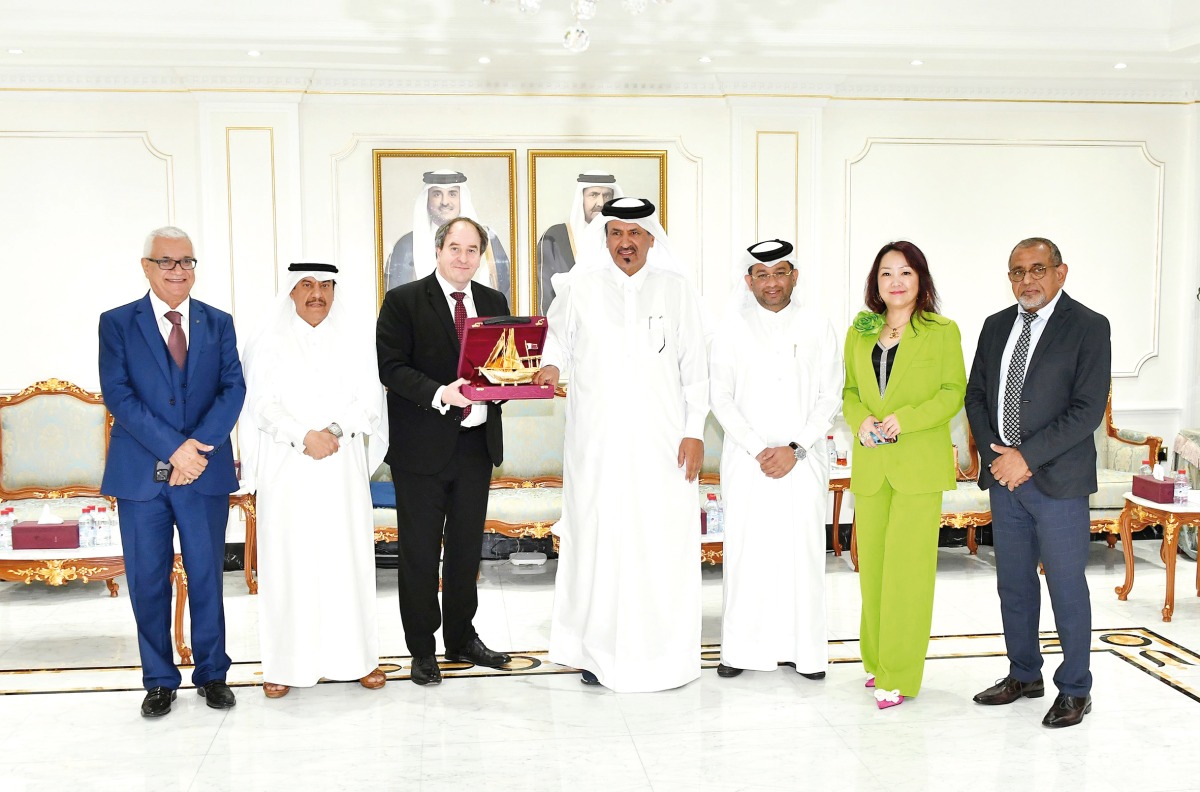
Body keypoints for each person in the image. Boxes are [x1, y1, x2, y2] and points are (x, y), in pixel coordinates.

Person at [533, 197, 708, 692]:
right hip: (597, 445)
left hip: (664, 444)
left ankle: (665, 654)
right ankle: (595, 652)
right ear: (604, 237)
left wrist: (694, 430)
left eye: (635, 233)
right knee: (600, 542)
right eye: (615, 233)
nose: (625, 243)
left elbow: (696, 371)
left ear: (652, 237)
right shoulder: (579, 288)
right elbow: (557, 346)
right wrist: (550, 367)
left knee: (659, 541)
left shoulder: (677, 292)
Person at [98, 226, 245, 718]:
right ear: (147, 267)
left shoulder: (218, 322)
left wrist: (195, 450)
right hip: (141, 477)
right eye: (167, 261)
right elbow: (119, 395)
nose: (178, 270)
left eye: (187, 261)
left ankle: (213, 674)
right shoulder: (117, 323)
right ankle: (159, 680)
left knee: (207, 576)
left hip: (204, 472)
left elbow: (233, 389)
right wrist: (174, 451)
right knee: (147, 580)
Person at [965, 237, 1110, 728]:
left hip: (1058, 481)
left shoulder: (1089, 327)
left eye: (1037, 269)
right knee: (1014, 585)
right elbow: (977, 396)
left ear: (1060, 272)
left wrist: (1025, 458)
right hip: (1005, 481)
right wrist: (996, 456)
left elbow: (1086, 409)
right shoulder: (995, 326)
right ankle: (1024, 673)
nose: (1027, 280)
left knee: (1067, 586)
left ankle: (1075, 689)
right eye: (1017, 272)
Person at [239, 263, 389, 699]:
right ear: (291, 291)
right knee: (290, 562)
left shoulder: (355, 338)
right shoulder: (268, 340)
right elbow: (261, 404)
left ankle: (358, 660)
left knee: (347, 561)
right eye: (307, 285)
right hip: (288, 468)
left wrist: (334, 434)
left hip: (341, 466)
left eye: (325, 285)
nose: (317, 294)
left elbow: (369, 400)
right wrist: (304, 436)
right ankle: (284, 664)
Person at [376, 216, 513, 686]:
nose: (463, 258)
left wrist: (512, 383)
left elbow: (505, 366)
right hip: (421, 452)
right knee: (418, 552)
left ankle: (461, 636)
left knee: (464, 551)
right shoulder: (404, 301)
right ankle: (422, 648)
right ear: (438, 250)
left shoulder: (495, 303)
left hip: (477, 446)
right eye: (455, 248)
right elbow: (391, 368)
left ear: (481, 256)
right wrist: (440, 392)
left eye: (472, 250)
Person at [709, 239, 842, 681]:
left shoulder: (818, 326)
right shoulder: (729, 329)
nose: (771, 282)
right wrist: (757, 447)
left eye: (780, 272)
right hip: (748, 461)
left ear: (794, 276)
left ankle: (803, 653)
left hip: (803, 461)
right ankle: (741, 651)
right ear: (748, 281)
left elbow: (830, 395)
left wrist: (796, 447)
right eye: (762, 275)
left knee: (801, 553)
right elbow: (720, 398)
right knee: (747, 552)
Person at [841, 240, 965, 710]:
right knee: (873, 570)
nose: (896, 281)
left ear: (921, 279)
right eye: (887, 273)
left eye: (906, 272)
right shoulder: (861, 330)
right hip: (872, 467)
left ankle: (900, 674)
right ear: (876, 282)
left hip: (917, 467)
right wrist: (862, 422)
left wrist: (905, 418)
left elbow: (954, 391)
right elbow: (850, 391)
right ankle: (875, 662)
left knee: (908, 575)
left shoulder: (941, 330)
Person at [385, 170, 512, 301]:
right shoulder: (406, 246)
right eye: (437, 194)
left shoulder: (489, 241)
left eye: (452, 194)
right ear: (427, 199)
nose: (445, 202)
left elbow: (506, 293)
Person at [536, 171, 622, 314]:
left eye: (607, 195)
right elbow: (544, 298)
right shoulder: (555, 237)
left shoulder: (624, 242)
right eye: (593, 195)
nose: (601, 203)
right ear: (581, 198)